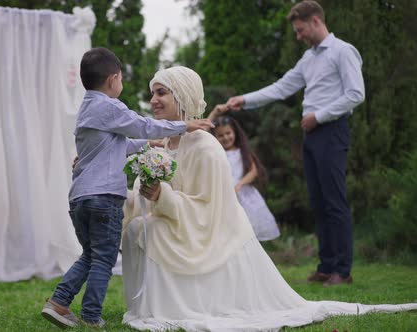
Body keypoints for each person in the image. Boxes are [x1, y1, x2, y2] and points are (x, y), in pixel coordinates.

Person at [121, 65, 416, 332]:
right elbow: (142, 195)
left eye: (161, 93)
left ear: (183, 95)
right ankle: (147, 307)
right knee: (136, 229)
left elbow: (209, 209)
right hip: (181, 225)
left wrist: (164, 196)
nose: (154, 100)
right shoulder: (161, 143)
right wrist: (133, 197)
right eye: (152, 94)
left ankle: (169, 310)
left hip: (210, 233)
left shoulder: (205, 146)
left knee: (149, 233)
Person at [40, 47, 213, 329]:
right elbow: (141, 125)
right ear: (113, 79)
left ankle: (58, 303)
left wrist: (149, 145)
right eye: (121, 79)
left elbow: (114, 145)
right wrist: (182, 126)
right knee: (104, 259)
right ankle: (92, 316)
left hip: (80, 198)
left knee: (90, 255)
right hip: (104, 198)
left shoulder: (87, 107)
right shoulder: (110, 106)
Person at [220, 0, 364, 286]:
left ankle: (342, 270)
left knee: (334, 201)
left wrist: (318, 116)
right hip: (311, 134)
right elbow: (282, 87)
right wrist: (244, 100)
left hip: (331, 130)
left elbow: (356, 94)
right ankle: (326, 266)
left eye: (300, 31)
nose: (298, 37)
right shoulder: (309, 59)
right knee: (319, 201)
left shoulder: (342, 51)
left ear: (315, 21)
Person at [208, 109, 280, 241]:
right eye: (221, 135)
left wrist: (240, 183)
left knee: (248, 225)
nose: (225, 138)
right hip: (225, 194)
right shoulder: (216, 153)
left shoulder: (242, 152)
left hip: (243, 192)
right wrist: (214, 112)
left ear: (235, 132)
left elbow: (254, 171)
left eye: (228, 133)